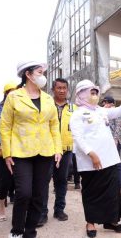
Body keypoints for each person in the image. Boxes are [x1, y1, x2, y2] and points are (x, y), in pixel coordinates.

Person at [70, 80, 121, 238]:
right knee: (91, 193)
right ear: (82, 94)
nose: (95, 96)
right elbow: (78, 137)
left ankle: (111, 220)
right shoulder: (77, 114)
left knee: (113, 192)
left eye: (96, 92)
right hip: (91, 162)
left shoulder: (101, 111)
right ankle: (90, 222)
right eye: (92, 92)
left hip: (110, 159)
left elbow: (117, 111)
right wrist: (91, 153)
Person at [0, 61, 62, 238]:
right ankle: (17, 231)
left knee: (39, 195)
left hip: (45, 152)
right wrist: (7, 153)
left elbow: (54, 126)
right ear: (28, 74)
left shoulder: (48, 99)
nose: (43, 76)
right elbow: (5, 126)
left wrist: (58, 150)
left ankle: (30, 231)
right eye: (40, 72)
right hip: (21, 152)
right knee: (24, 193)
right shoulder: (14, 97)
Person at [39, 78, 77, 226]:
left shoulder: (74, 108)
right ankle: (42, 213)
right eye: (59, 88)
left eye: (64, 88)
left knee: (61, 181)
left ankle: (59, 210)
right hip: (47, 150)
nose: (62, 90)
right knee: (43, 182)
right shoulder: (46, 105)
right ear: (53, 89)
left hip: (66, 150)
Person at [0, 81, 17, 222]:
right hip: (3, 148)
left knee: (20, 180)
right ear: (6, 94)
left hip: (20, 147)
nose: (13, 93)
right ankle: (1, 205)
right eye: (10, 91)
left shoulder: (23, 104)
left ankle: (20, 209)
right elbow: (2, 121)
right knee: (6, 179)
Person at [102, 96, 121, 190]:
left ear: (108, 103)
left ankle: (120, 184)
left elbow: (118, 127)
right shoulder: (104, 112)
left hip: (114, 142)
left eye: (104, 103)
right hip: (106, 141)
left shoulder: (116, 112)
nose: (103, 105)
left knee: (117, 162)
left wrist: (115, 140)